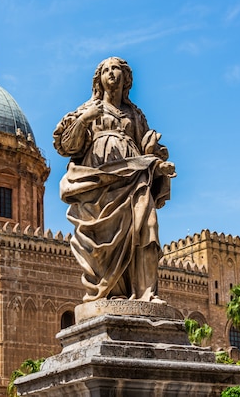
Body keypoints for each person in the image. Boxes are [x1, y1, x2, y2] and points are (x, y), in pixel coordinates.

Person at [53, 57, 176, 303]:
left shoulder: (135, 115)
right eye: (106, 70)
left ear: (126, 78)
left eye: (116, 69)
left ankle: (146, 294)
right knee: (106, 243)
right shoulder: (87, 110)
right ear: (98, 79)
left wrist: (159, 163)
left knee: (148, 227)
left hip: (136, 180)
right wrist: (85, 119)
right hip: (100, 184)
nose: (111, 73)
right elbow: (66, 145)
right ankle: (112, 291)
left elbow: (146, 149)